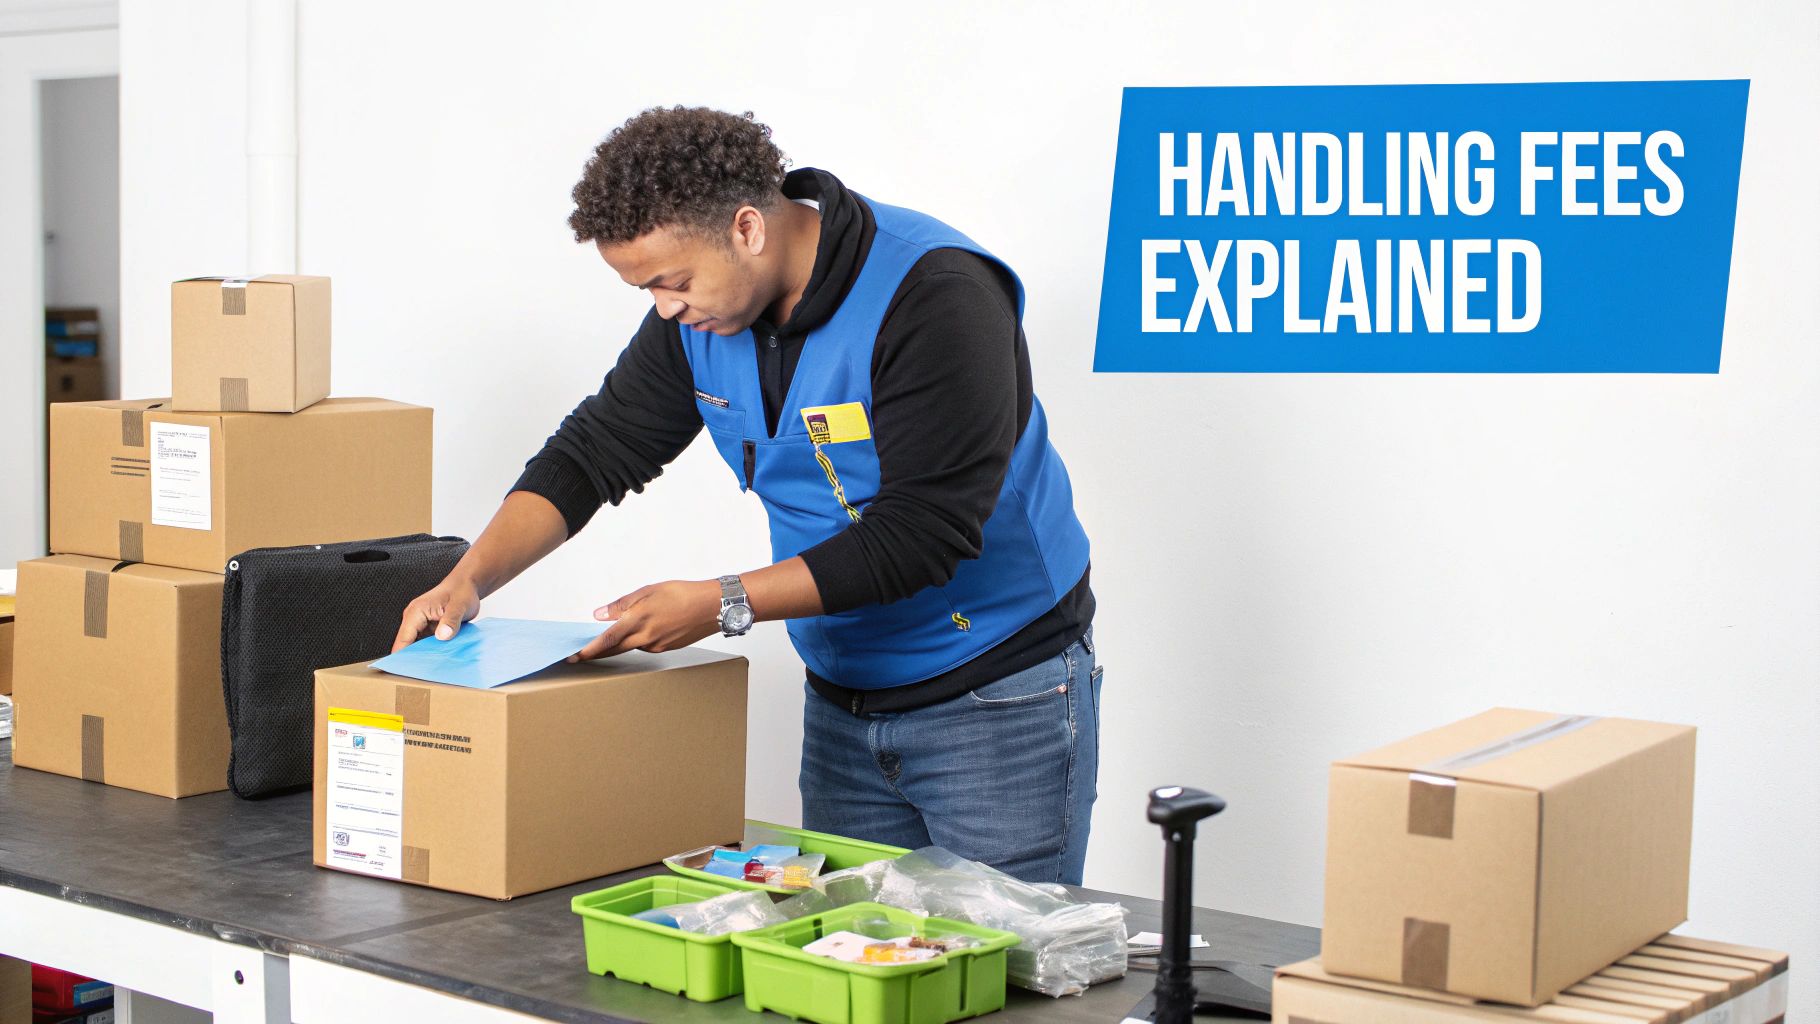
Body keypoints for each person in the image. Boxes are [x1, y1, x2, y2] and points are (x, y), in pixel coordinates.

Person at [394, 106, 1100, 884]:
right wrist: (469, 578)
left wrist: (722, 601)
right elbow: (595, 450)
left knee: (1009, 951)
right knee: (856, 945)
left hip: (996, 694)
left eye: (673, 282)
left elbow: (922, 533)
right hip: (846, 694)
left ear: (747, 229)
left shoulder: (935, 294)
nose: (665, 309)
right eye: (645, 290)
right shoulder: (702, 318)